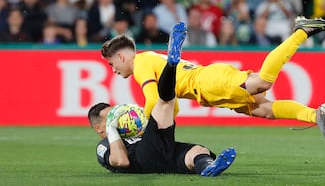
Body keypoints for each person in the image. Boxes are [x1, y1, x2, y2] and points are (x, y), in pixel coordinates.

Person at [100, 17, 325, 144]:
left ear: (121, 56)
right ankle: (315, 115)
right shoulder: (149, 58)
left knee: (262, 82)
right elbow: (171, 104)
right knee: (264, 109)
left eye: (112, 64)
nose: (113, 70)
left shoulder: (140, 64)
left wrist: (145, 129)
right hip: (207, 87)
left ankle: (301, 32)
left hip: (207, 82)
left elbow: (153, 99)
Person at [88, 25, 236, 175]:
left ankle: (207, 167)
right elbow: (122, 161)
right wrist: (112, 131)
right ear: (99, 128)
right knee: (163, 101)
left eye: (115, 114)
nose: (117, 119)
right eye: (110, 118)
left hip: (163, 152)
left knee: (197, 151)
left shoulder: (131, 131)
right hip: (143, 156)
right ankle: (171, 65)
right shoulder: (104, 146)